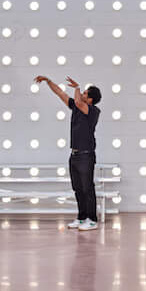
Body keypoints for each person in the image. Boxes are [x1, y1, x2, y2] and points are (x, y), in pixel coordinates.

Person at [34, 75, 102, 230]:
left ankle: (92, 220)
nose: (82, 95)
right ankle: (81, 217)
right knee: (77, 188)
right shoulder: (76, 107)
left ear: (90, 99)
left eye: (85, 93)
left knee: (87, 188)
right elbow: (61, 94)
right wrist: (48, 81)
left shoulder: (93, 111)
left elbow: (78, 101)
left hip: (86, 155)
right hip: (74, 155)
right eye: (83, 92)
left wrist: (77, 88)